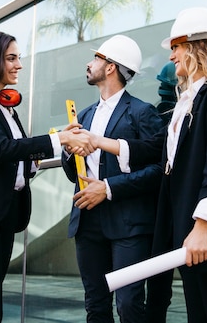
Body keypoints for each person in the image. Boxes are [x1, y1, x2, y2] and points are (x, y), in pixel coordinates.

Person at [80, 8, 207, 323]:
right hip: (186, 234)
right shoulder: (186, 102)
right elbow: (153, 153)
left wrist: (203, 227)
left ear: (195, 46)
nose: (172, 55)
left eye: (176, 47)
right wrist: (96, 141)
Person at [0, 31, 93, 322]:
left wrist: (53, 147)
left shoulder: (5, 104)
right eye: (11, 58)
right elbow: (2, 149)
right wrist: (58, 139)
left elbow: (16, 157)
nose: (18, 65)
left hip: (2, 215)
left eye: (18, 58)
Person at [62, 34, 164, 322]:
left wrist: (108, 188)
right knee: (95, 306)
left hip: (129, 223)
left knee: (129, 304)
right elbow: (73, 173)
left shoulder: (143, 113)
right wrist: (69, 150)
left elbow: (158, 170)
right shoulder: (83, 115)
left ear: (110, 67)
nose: (89, 63)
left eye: (95, 58)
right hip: (87, 221)